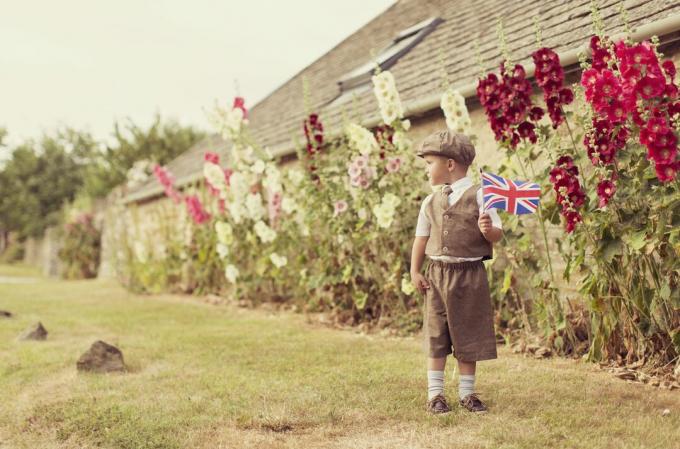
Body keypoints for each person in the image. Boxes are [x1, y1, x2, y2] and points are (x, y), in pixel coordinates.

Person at [410, 130, 503, 414]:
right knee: (437, 333)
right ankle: (435, 394)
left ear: (450, 164)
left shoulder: (481, 195)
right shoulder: (430, 202)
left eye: (430, 163)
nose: (427, 170)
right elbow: (421, 238)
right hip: (437, 274)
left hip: (469, 274)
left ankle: (467, 393)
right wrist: (415, 271)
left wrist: (490, 231)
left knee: (468, 332)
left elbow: (498, 233)